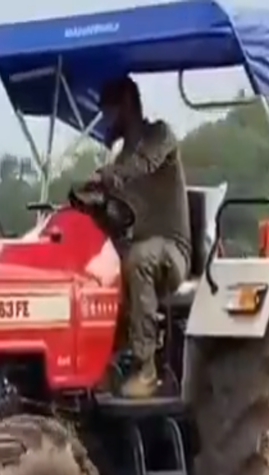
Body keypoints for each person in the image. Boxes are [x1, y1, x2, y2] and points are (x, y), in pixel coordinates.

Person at [95, 75, 191, 399]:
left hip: (172, 250)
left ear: (126, 106)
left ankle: (146, 369)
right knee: (97, 269)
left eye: (108, 112)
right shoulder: (121, 160)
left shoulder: (160, 136)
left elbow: (143, 164)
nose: (105, 120)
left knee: (138, 259)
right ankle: (104, 362)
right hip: (138, 246)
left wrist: (109, 176)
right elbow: (116, 210)